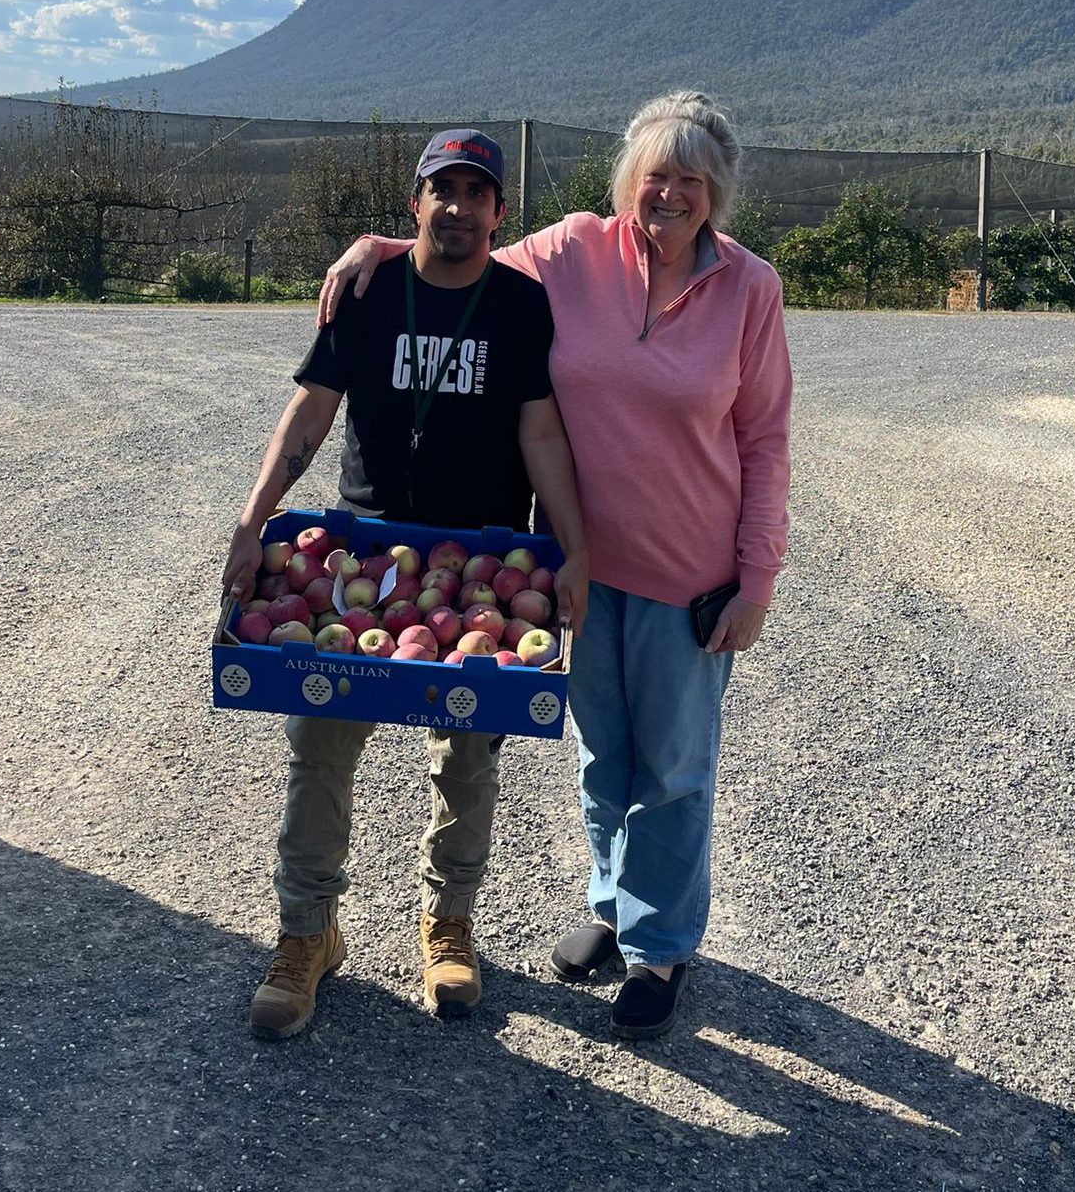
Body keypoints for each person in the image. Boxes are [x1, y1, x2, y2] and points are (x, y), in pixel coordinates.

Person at [319, 91, 791, 1040]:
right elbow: (460, 254)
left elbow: (766, 434)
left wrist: (757, 574)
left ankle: (662, 947)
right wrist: (373, 244)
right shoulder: (576, 250)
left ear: (716, 193)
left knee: (674, 766)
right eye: (655, 175)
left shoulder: (750, 288)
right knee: (601, 754)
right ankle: (614, 908)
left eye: (691, 180)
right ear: (629, 181)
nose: (670, 195)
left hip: (690, 571)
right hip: (574, 565)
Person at [222, 128, 588, 1040]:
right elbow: (312, 406)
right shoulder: (369, 289)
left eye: (477, 192)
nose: (458, 206)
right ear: (413, 204)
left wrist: (572, 548)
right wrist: (251, 519)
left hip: (486, 568)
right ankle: (308, 932)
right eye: (442, 189)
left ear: (500, 213)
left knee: (467, 756)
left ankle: (448, 922)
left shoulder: (522, 307)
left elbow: (542, 435)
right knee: (320, 746)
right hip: (370, 555)